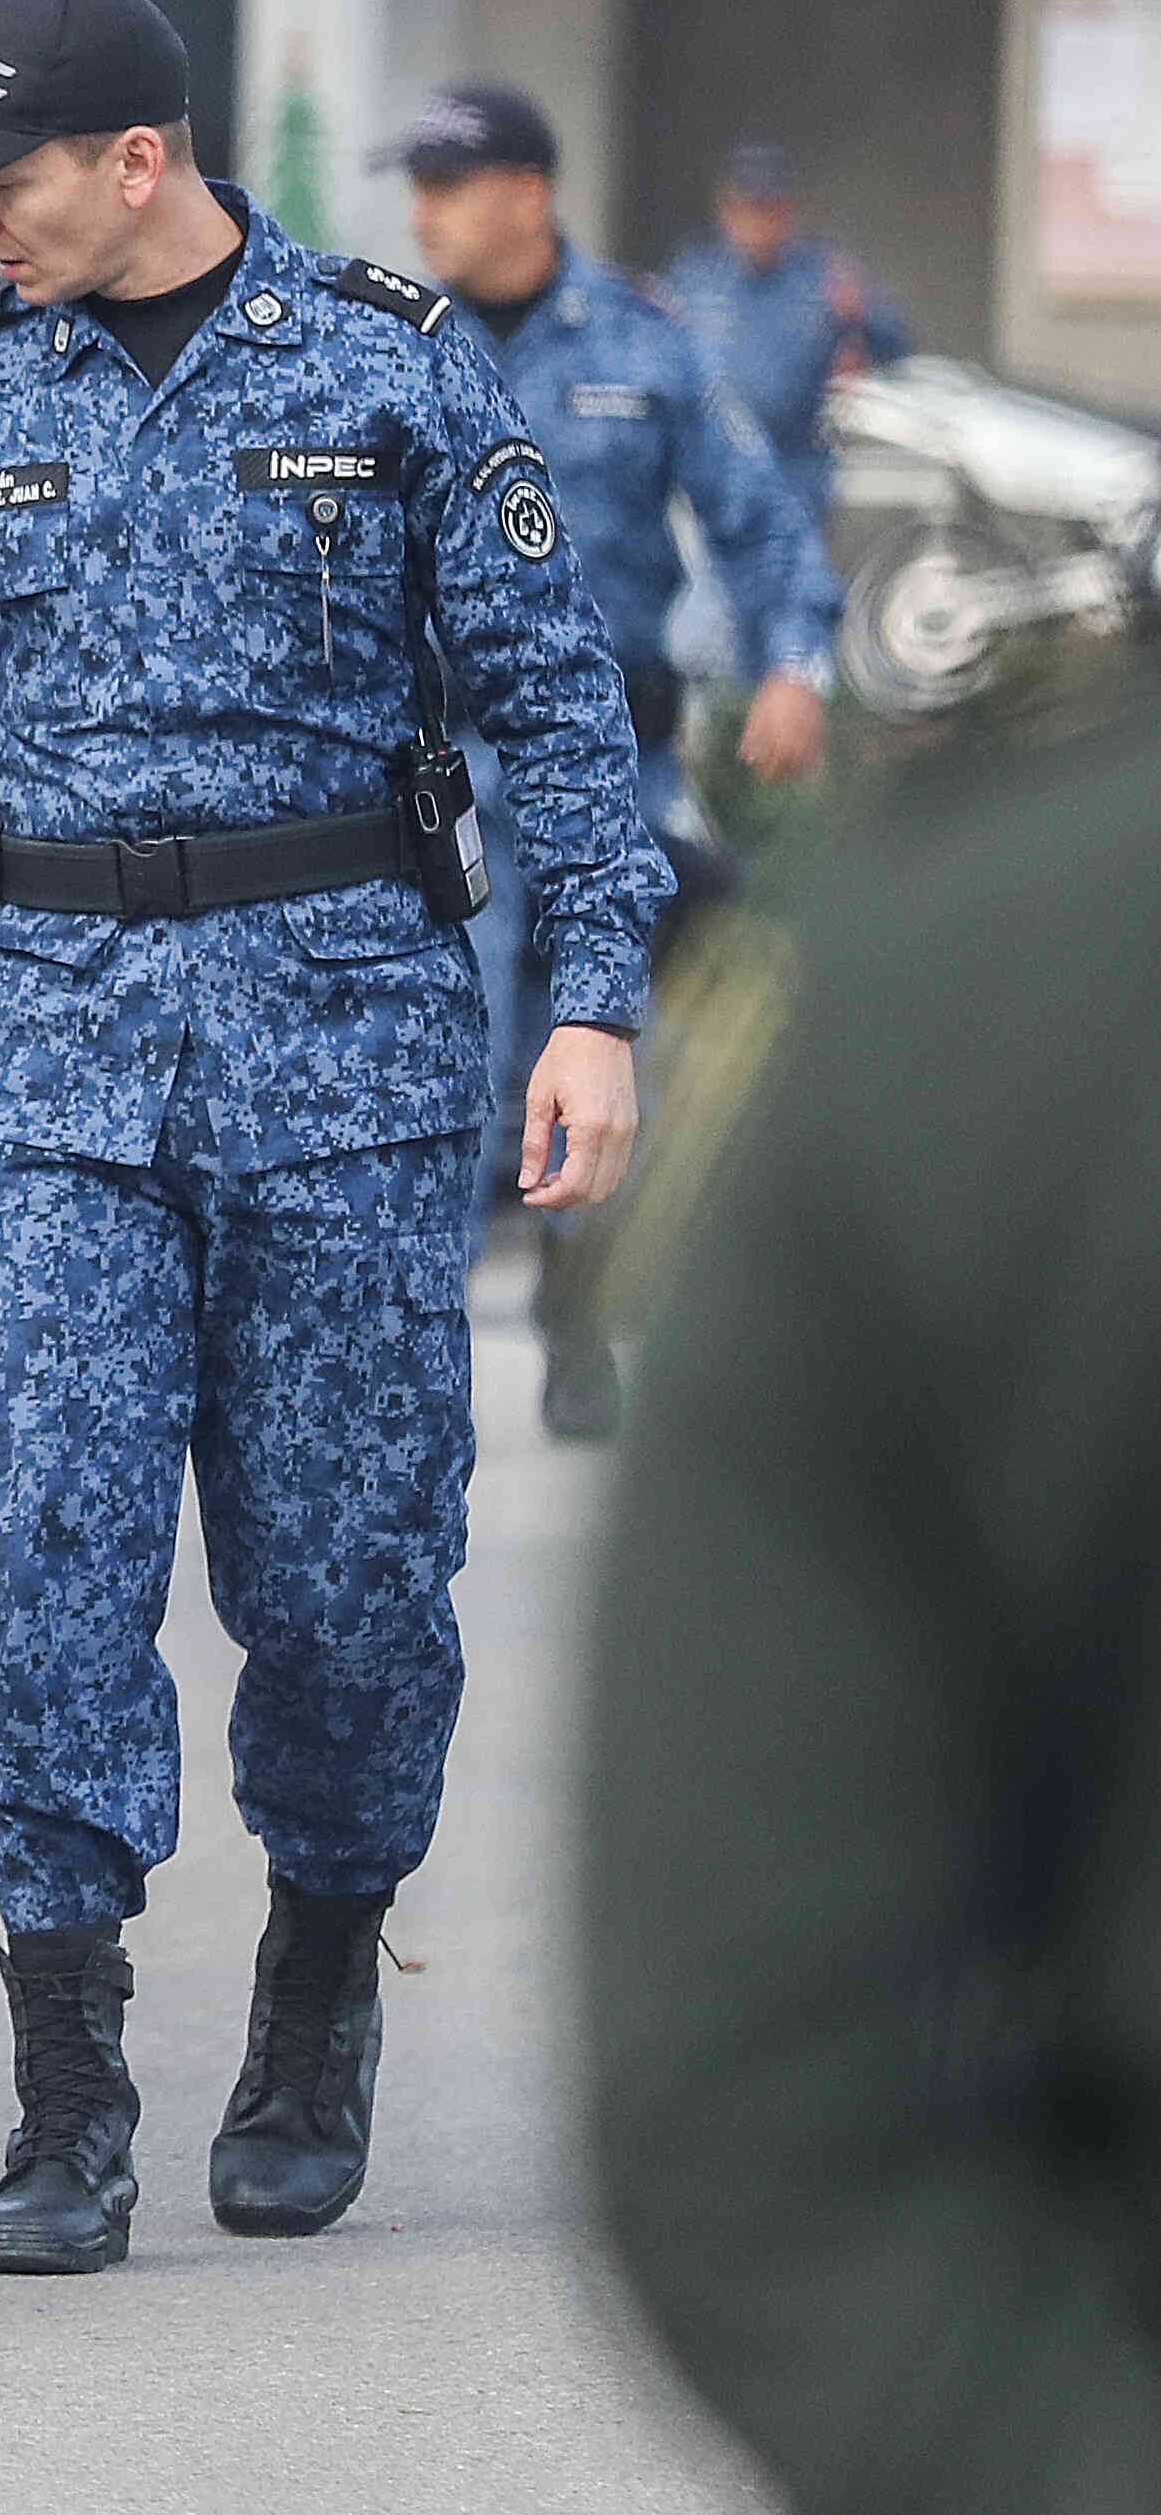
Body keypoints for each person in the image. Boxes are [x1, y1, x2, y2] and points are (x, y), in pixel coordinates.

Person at [0, 0, 668, 2275]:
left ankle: (316, 1984)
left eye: (0, 183)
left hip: (341, 1071)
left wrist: (589, 1007)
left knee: (341, 1584)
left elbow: (553, 707)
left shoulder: (389, 369)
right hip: (53, 1066)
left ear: (136, 164)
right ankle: (66, 2096)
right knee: (49, 1556)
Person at [587, 675, 1161, 2515]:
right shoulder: (990, 997)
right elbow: (773, 2106)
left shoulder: (962, 969)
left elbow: (764, 2128)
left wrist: (589, 1004)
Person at [395, 81, 833, 1440]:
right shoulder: (388, 348)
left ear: (527, 193)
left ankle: (577, 1315)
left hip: (609, 773)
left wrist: (792, 665)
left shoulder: (647, 345)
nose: (420, 213)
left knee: (592, 1050)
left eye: (447, 185)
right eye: (414, 185)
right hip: (440, 779)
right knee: (440, 1060)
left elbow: (757, 520)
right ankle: (410, 1361)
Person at [658, 141, 905, 541]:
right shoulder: (695, 279)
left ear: (786, 211)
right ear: (725, 211)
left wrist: (860, 321)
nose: (755, 221)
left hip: (795, 481)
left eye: (766, 208)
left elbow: (895, 347)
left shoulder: (822, 276)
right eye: (745, 208)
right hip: (710, 483)